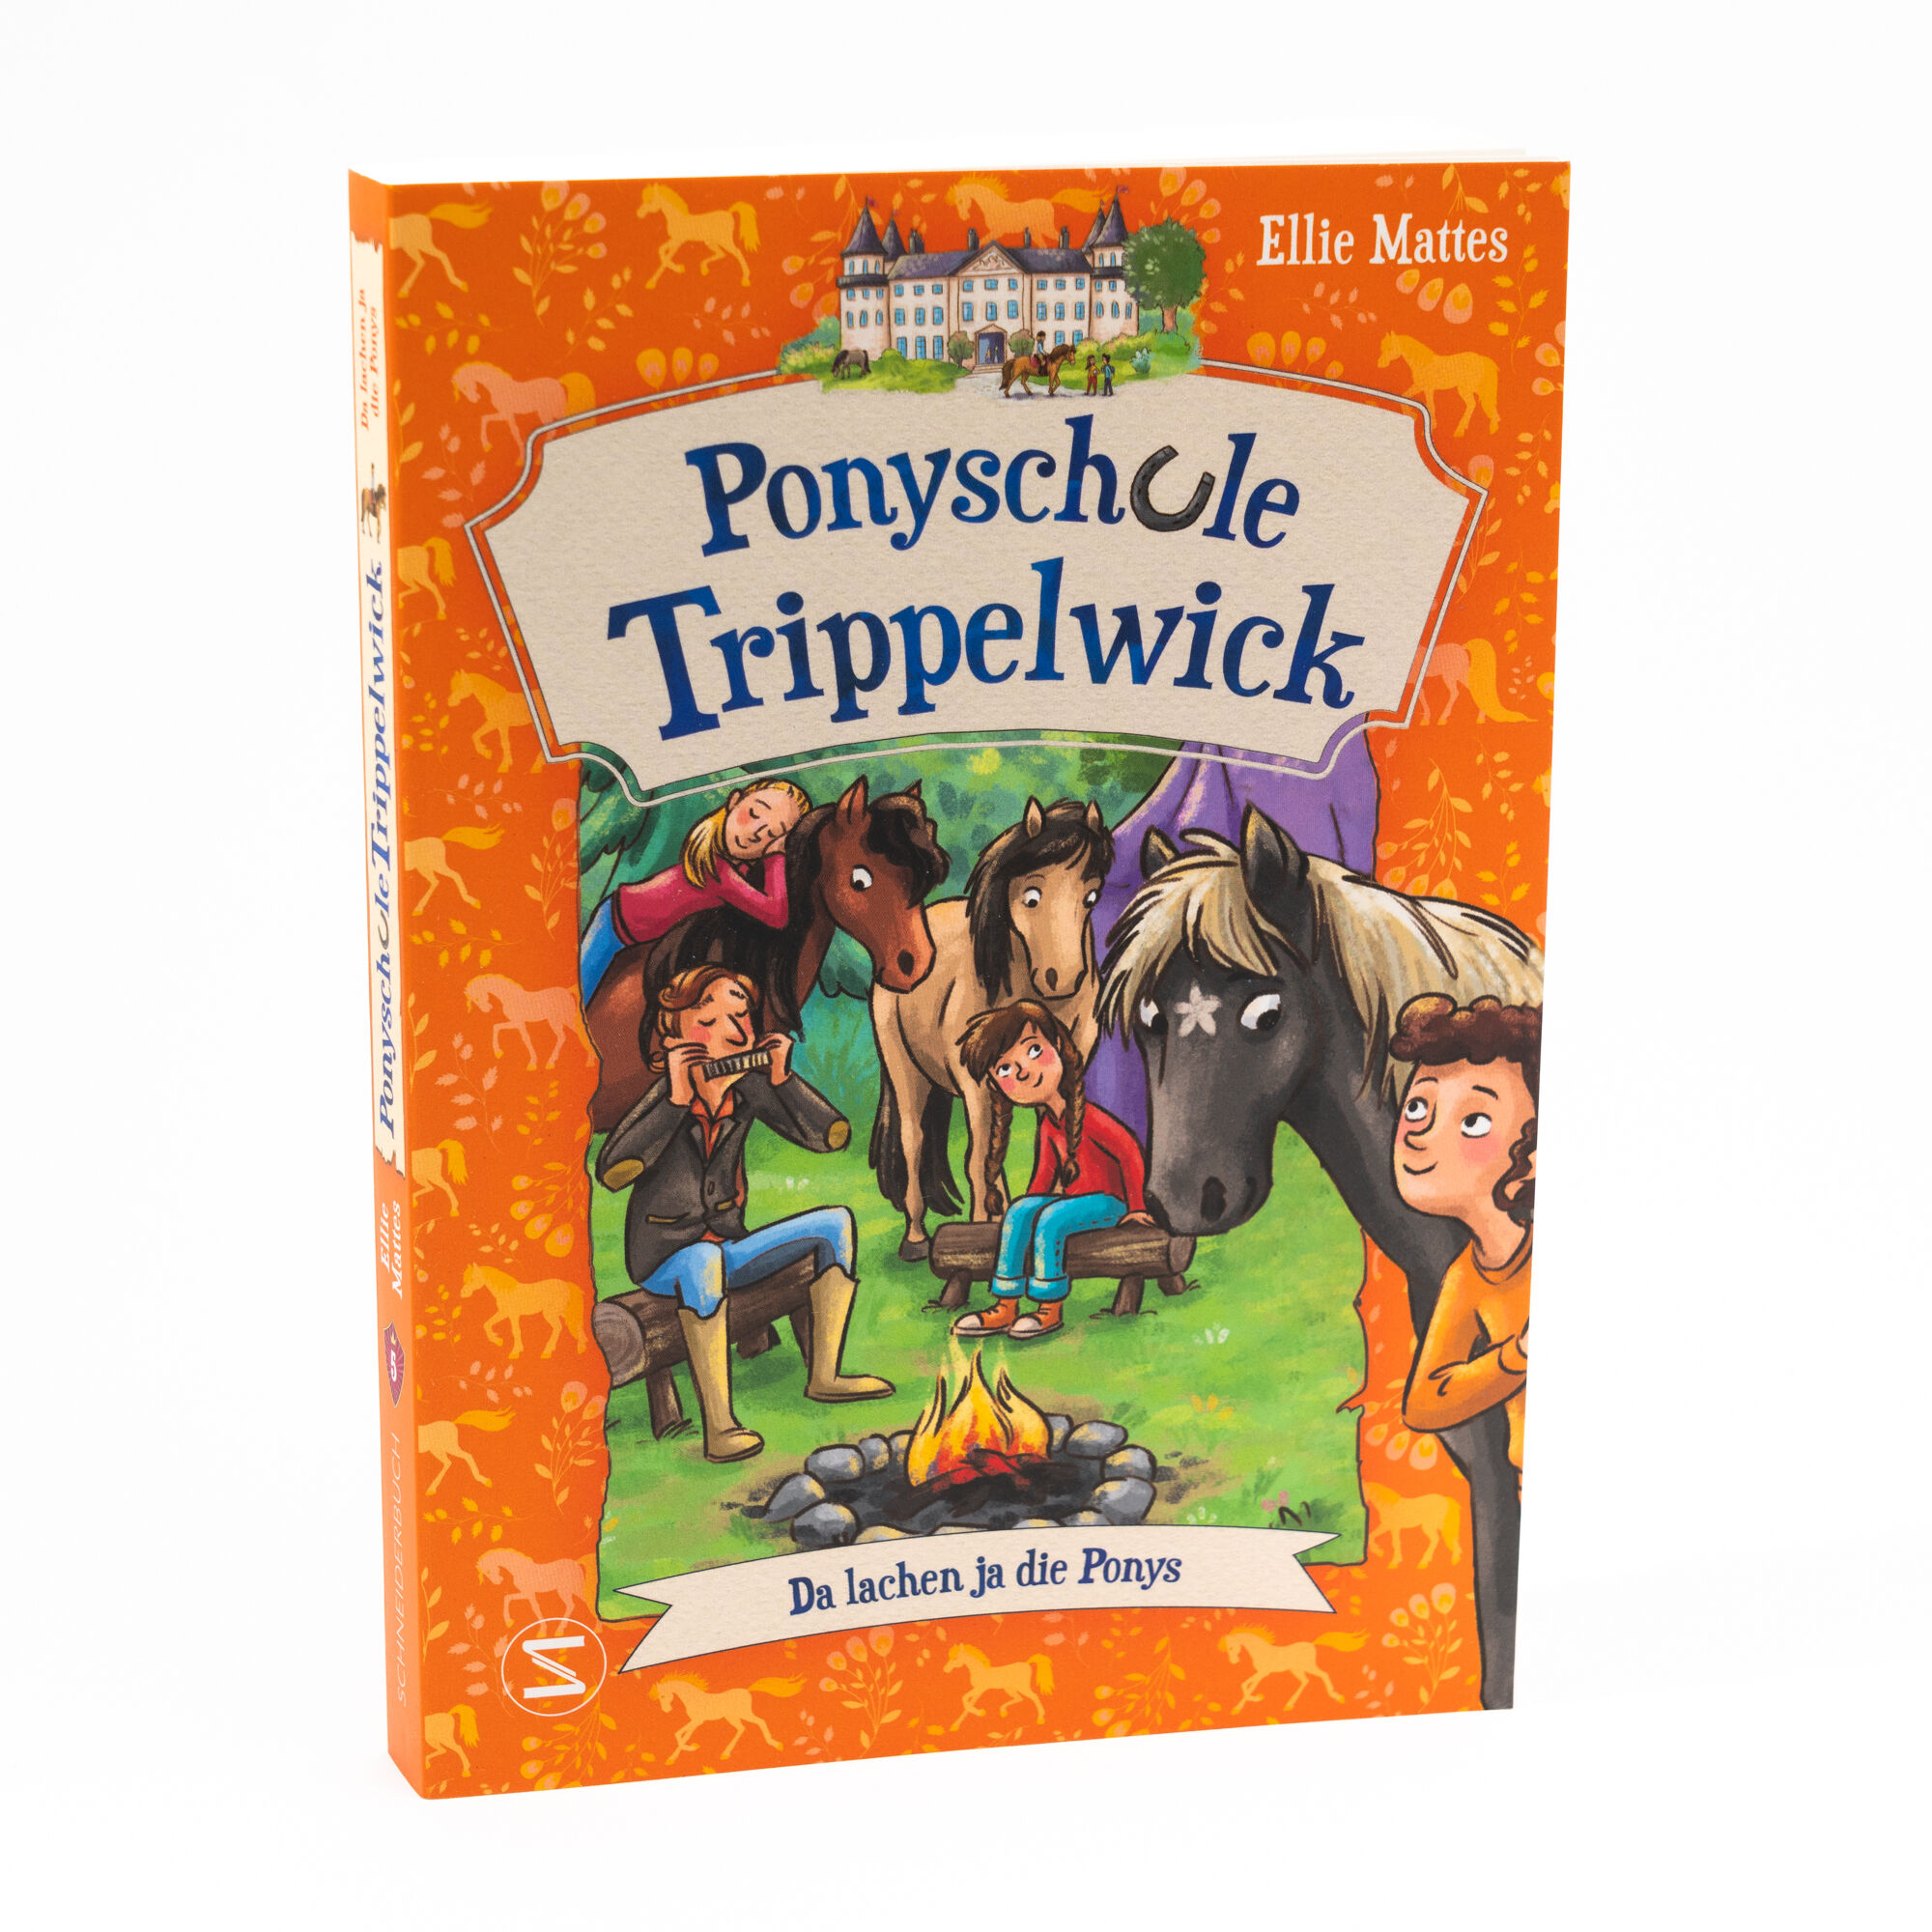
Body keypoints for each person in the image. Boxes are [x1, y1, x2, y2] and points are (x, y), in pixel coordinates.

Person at [595, 964, 892, 1461]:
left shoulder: (748, 1088)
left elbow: (829, 1136)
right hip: (666, 1259)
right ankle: (720, 1427)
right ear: (674, 1036)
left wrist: (784, 1080)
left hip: (728, 1246)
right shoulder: (664, 1099)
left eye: (740, 1017)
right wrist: (675, 1101)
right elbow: (613, 1172)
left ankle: (826, 1376)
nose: (733, 1033)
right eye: (709, 1021)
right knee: (703, 1261)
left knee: (835, 1224)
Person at [1388, 995, 1539, 1489]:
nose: (1421, 1134)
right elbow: (1424, 1403)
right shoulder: (1470, 1272)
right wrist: (1518, 1355)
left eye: (1473, 1121)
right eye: (1418, 1107)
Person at [951, 1000, 1152, 1340]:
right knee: (1020, 1211)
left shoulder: (1089, 1117)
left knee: (1052, 1219)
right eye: (1005, 1069)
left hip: (1110, 1203)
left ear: (1058, 1045)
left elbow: (1129, 1152)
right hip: (1075, 1204)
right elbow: (1042, 1181)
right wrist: (1024, 1213)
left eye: (1033, 1050)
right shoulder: (1048, 1126)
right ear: (996, 1085)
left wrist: (1136, 1207)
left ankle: (1049, 1308)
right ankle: (1005, 1304)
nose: (1023, 1071)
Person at [577, 781, 810, 1007]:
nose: (757, 833)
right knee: (575, 997)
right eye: (754, 813)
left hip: (640, 936)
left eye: (773, 834)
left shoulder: (739, 871)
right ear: (735, 800)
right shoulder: (718, 870)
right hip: (613, 923)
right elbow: (776, 914)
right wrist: (775, 855)